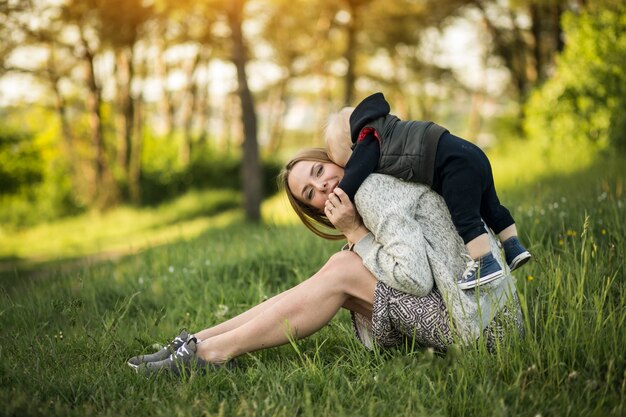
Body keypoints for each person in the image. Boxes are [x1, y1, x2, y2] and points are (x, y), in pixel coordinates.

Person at [128, 148, 522, 377]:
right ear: (315, 210)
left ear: (336, 160)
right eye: (311, 193)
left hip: (487, 332)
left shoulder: (372, 187)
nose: (324, 187)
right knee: (340, 268)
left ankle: (208, 354)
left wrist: (355, 235)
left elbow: (416, 280)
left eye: (320, 172)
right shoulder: (367, 192)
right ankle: (199, 341)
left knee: (345, 268)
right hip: (471, 318)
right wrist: (357, 239)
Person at [324, 92, 532, 290]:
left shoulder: (368, 138)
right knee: (491, 206)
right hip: (472, 153)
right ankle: (513, 246)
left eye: (345, 162)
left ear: (352, 146)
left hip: (453, 166)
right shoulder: (388, 125)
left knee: (465, 216)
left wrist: (337, 198)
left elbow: (356, 172)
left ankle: (484, 262)